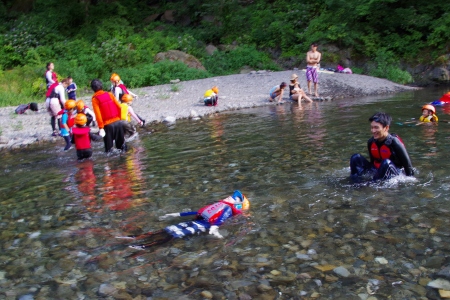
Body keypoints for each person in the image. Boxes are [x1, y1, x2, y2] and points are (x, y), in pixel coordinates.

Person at [122, 190, 250, 249]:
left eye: (235, 198)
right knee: (169, 229)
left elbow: (218, 220)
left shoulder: (227, 209)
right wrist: (176, 214)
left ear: (238, 205)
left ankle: (145, 245)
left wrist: (215, 230)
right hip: (197, 222)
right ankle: (137, 237)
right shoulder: (220, 205)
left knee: (175, 234)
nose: (230, 197)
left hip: (202, 226)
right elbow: (197, 212)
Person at [350, 112, 414, 182]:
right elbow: (372, 162)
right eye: (372, 127)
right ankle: (356, 184)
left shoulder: (394, 142)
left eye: (376, 127)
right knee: (355, 157)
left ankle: (373, 185)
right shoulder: (371, 142)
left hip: (393, 170)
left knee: (386, 163)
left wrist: (410, 180)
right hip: (376, 170)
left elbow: (408, 165)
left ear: (386, 128)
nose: (373, 131)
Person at [90, 79, 126, 153]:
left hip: (108, 125)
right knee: (122, 147)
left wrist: (101, 128)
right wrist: (120, 119)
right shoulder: (109, 94)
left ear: (93, 89)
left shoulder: (95, 99)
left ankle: (110, 163)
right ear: (101, 86)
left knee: (109, 150)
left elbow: (98, 114)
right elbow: (119, 107)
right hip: (118, 122)